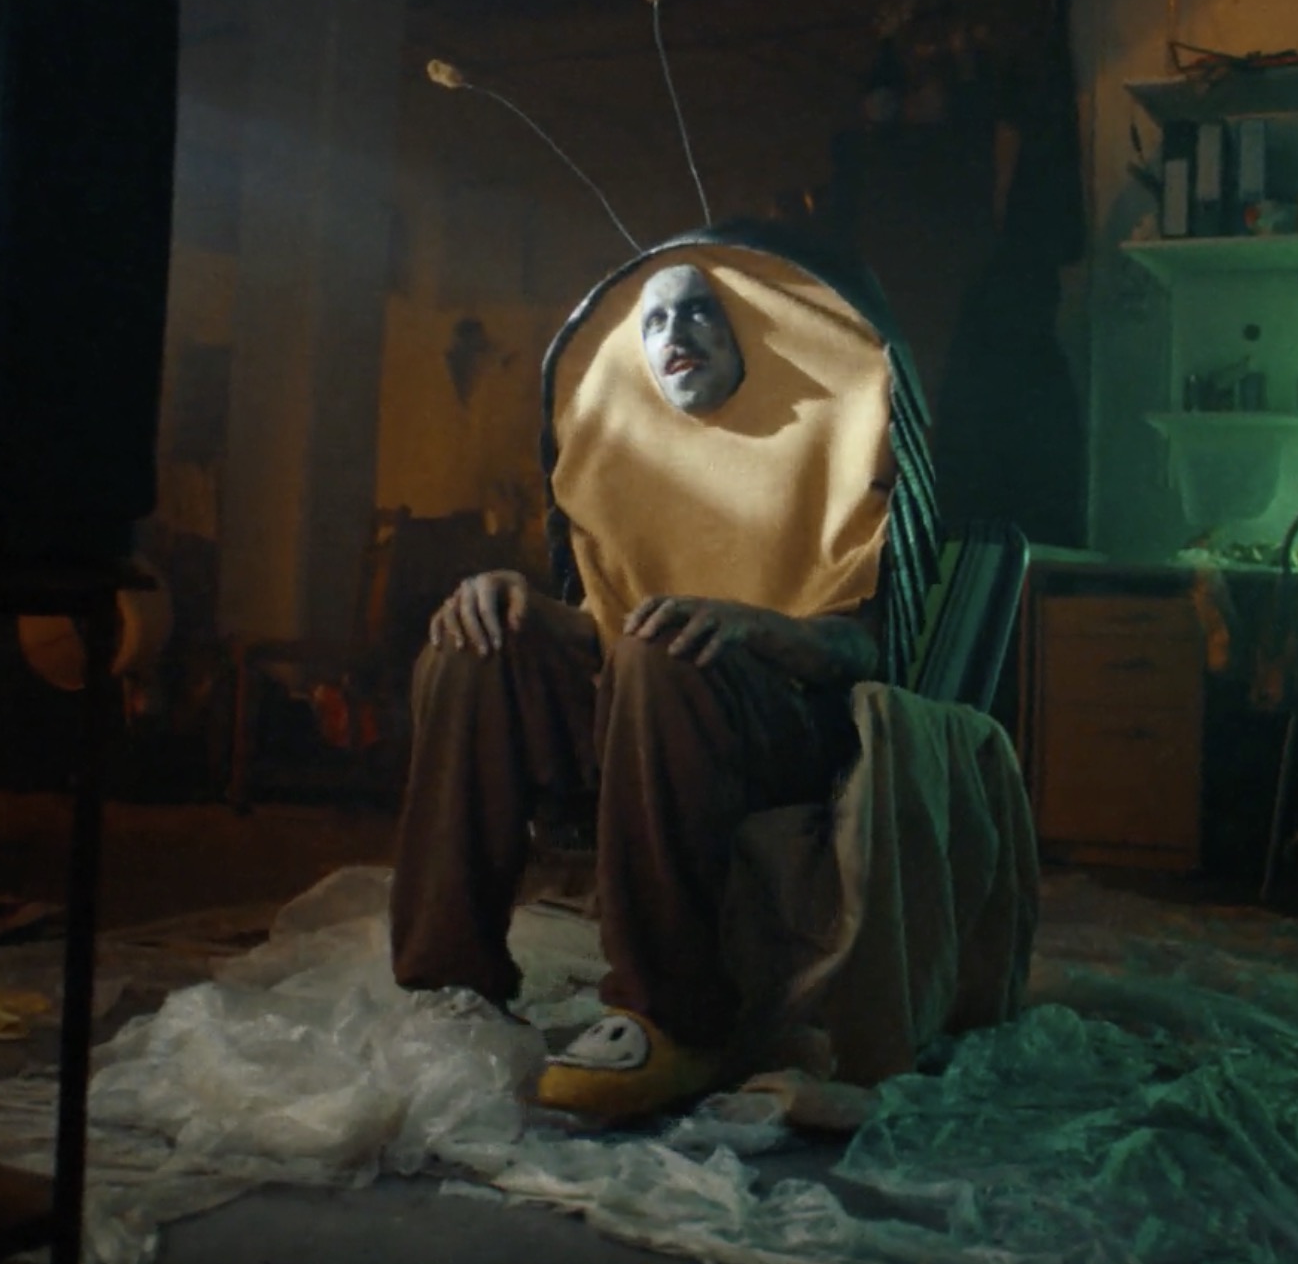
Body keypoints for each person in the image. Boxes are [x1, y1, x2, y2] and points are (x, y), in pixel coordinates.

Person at [388, 222, 938, 1120]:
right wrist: (514, 600)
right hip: (648, 703)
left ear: (750, 332)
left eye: (698, 314)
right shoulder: (629, 458)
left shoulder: (839, 442)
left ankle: (669, 1017)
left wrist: (749, 626)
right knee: (476, 643)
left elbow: (862, 649)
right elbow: (606, 628)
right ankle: (451, 985)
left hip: (795, 723)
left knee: (663, 650)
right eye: (652, 322)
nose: (673, 334)